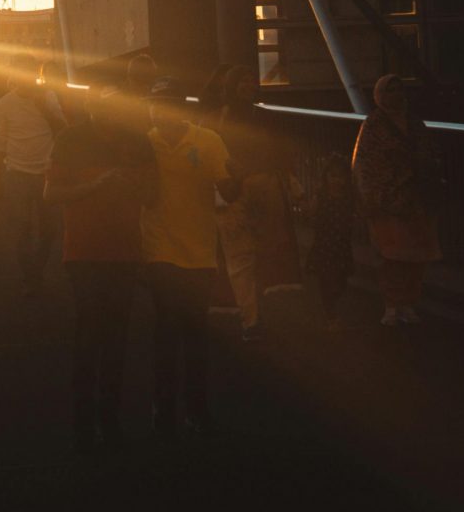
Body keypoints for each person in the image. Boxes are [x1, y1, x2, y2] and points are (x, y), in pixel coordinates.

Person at [46, 80, 156, 450]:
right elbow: (52, 194)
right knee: (90, 334)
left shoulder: (137, 141)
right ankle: (84, 420)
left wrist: (132, 186)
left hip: (124, 251)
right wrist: (98, 184)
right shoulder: (70, 139)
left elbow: (153, 196)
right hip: (83, 252)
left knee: (116, 338)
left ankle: (108, 419)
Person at [141, 83, 237, 436]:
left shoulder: (208, 141)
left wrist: (236, 177)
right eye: (152, 105)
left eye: (161, 105)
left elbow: (228, 189)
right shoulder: (145, 143)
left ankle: (192, 408)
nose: (155, 112)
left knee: (194, 335)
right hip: (159, 250)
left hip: (199, 253)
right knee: (167, 331)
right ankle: (167, 407)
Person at [211, 66, 303, 334]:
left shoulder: (217, 119)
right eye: (243, 80)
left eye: (251, 80)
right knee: (245, 256)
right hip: (243, 191)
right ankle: (251, 316)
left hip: (247, 191)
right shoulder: (261, 118)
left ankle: (251, 314)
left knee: (246, 256)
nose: (249, 85)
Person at [351, 76, 440, 326]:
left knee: (414, 255)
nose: (396, 94)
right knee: (393, 255)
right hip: (389, 200)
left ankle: (407, 302)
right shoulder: (374, 126)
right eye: (390, 90)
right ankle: (394, 303)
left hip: (413, 198)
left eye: (399, 89)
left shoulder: (413, 123)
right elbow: (366, 166)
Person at [0, 67, 64, 298]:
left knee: (49, 229)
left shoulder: (49, 97)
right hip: (17, 172)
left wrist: (46, 108)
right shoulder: (4, 104)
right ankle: (31, 276)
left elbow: (63, 129)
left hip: (46, 172)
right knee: (23, 229)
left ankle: (36, 271)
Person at [307, 152, 355, 324]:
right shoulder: (320, 196)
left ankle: (332, 306)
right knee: (326, 280)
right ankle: (330, 312)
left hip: (341, 245)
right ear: (326, 176)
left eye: (340, 176)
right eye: (333, 176)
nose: (336, 180)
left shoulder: (348, 197)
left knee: (341, 280)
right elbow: (312, 216)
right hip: (324, 245)